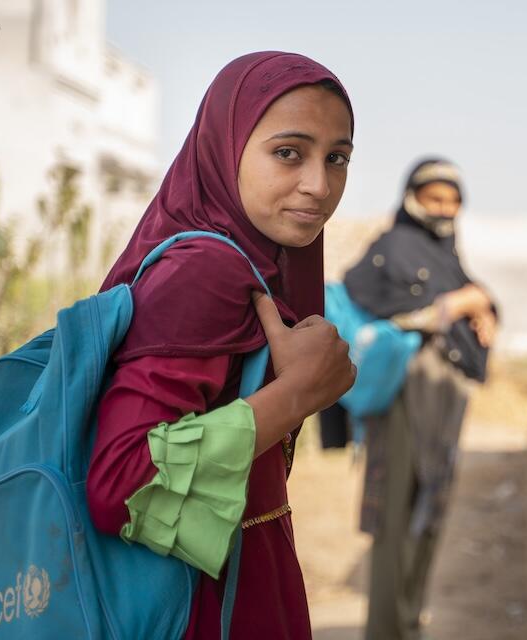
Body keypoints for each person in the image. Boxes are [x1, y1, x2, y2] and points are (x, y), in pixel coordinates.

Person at [85, 51, 357, 639]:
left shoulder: (254, 262)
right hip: (200, 606)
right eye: (289, 153)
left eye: (337, 158)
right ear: (225, 147)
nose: (319, 184)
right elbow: (121, 485)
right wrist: (300, 392)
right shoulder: (206, 270)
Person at [344, 158, 497, 640]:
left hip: (445, 396)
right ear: (412, 198)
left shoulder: (445, 253)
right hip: (405, 391)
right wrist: (456, 306)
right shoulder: (391, 248)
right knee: (395, 512)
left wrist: (483, 306)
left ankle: (409, 624)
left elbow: (471, 296)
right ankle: (386, 630)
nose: (444, 209)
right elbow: (372, 310)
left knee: (432, 507)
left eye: (452, 201)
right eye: (434, 199)